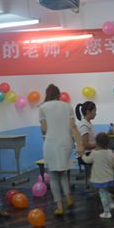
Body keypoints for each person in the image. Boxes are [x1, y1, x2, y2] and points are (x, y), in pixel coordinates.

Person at [39, 84, 83, 216]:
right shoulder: (67, 106)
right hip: (66, 142)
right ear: (58, 94)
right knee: (63, 172)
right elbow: (73, 127)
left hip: (51, 142)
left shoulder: (43, 107)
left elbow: (44, 130)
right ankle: (68, 197)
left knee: (53, 175)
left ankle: (59, 206)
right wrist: (79, 144)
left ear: (47, 94)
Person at [81, 134, 114, 219]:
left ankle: (107, 212)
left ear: (96, 143)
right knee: (105, 191)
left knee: (102, 194)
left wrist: (82, 154)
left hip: (99, 179)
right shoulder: (110, 152)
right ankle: (111, 203)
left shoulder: (94, 153)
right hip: (109, 178)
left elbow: (87, 160)